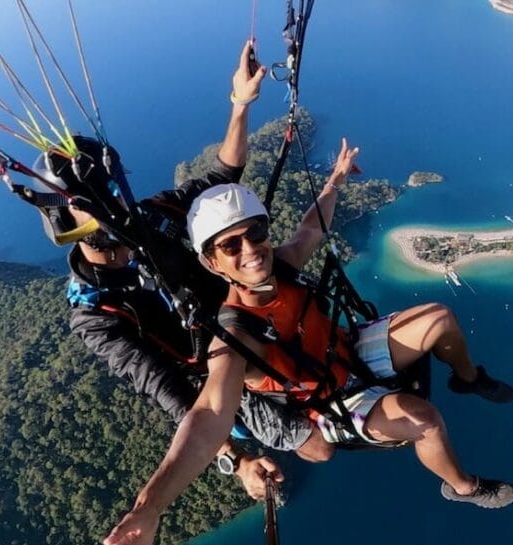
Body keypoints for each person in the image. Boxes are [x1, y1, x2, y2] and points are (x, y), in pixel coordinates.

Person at [82, 142, 513, 545]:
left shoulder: (281, 270)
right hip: (328, 400)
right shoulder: (233, 336)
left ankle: (467, 378)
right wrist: (149, 509)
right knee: (424, 419)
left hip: (345, 351)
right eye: (231, 245)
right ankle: (463, 487)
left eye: (256, 233)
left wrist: (335, 180)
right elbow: (208, 414)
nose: (251, 250)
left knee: (440, 318)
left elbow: (313, 226)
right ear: (212, 262)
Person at [35, 41, 309, 500]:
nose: (113, 211)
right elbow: (166, 388)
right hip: (224, 369)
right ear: (65, 223)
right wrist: (236, 457)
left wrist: (240, 104)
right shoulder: (96, 314)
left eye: (111, 198)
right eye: (95, 207)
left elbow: (222, 176)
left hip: (254, 308)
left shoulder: (150, 217)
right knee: (314, 442)